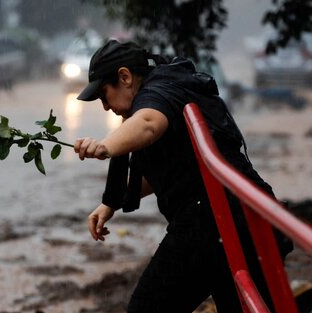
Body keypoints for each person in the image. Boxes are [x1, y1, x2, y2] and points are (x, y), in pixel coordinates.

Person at [73, 39, 292, 313]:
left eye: (104, 95)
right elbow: (166, 173)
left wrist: (104, 146)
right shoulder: (168, 86)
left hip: (213, 222)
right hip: (239, 216)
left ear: (125, 77)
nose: (105, 106)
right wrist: (110, 203)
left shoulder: (157, 93)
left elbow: (149, 124)